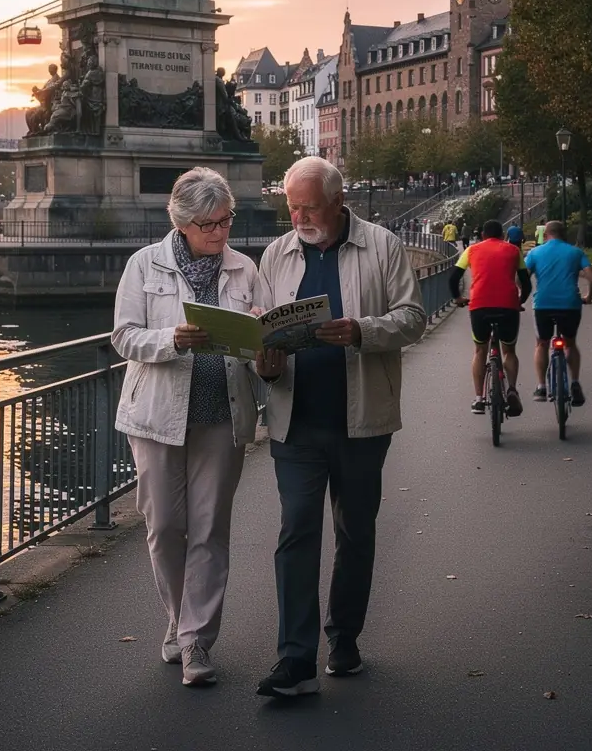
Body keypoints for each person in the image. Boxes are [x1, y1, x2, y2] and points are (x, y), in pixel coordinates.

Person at [254, 156, 426, 698]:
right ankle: (295, 656)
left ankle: (344, 636)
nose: (299, 215)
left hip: (362, 421)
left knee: (355, 533)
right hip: (295, 421)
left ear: (337, 201)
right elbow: (260, 332)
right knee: (297, 531)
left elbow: (414, 317)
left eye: (309, 206)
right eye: (292, 205)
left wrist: (360, 331)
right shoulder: (277, 254)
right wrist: (264, 361)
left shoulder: (382, 246)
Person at [112, 168, 261, 688]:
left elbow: (256, 338)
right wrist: (172, 340)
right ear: (181, 223)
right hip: (156, 415)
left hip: (221, 413)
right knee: (165, 527)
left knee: (209, 529)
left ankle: (196, 639)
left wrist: (261, 334)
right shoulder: (143, 265)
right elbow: (125, 337)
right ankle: (177, 619)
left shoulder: (244, 269)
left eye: (225, 222)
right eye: (208, 225)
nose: (219, 234)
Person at [449, 219, 531, 416]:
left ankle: (478, 399)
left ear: (483, 235)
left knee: (479, 350)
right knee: (509, 351)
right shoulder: (514, 250)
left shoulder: (471, 251)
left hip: (480, 306)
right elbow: (526, 284)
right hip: (508, 307)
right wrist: (520, 301)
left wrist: (458, 298)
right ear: (503, 235)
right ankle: (511, 388)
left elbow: (453, 278)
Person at [524, 219, 592, 406]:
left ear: (546, 234)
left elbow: (522, 278)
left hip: (543, 305)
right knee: (570, 343)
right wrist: (589, 297)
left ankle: (541, 387)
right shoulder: (575, 252)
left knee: (542, 344)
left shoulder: (535, 253)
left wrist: (522, 293)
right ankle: (574, 383)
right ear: (564, 234)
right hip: (570, 304)